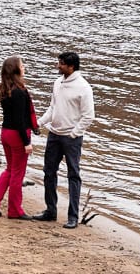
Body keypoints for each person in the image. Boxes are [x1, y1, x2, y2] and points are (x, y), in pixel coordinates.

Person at [31, 50, 95, 227]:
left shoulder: (83, 87)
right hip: (54, 135)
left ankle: (72, 217)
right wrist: (39, 123)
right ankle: (50, 211)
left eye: (61, 63)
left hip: (71, 139)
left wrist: (74, 133)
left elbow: (88, 116)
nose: (57, 66)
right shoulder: (58, 83)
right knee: (48, 172)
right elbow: (53, 108)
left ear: (71, 66)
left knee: (73, 175)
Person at [0, 55, 39, 219]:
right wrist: (27, 142)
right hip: (17, 135)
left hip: (5, 133)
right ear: (16, 69)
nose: (24, 68)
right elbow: (20, 120)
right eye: (22, 65)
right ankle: (15, 210)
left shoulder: (4, 89)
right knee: (17, 174)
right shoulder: (20, 92)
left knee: (10, 170)